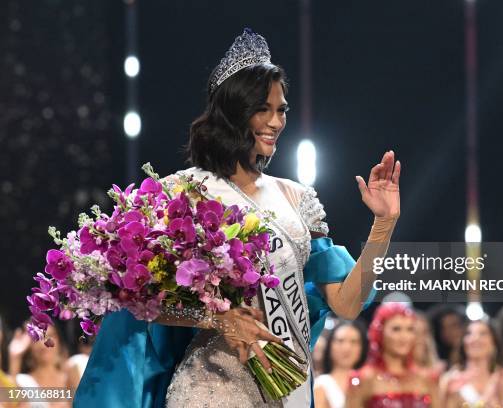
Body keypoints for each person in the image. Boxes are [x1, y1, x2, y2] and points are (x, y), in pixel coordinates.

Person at [74, 28, 400, 408]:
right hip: (211, 385)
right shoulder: (185, 192)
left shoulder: (296, 197)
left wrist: (384, 224)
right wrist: (218, 320)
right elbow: (141, 302)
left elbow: (346, 304)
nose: (275, 122)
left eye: (281, 110)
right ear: (233, 111)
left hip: (285, 389)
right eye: (262, 109)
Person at [346, 303, 439, 407]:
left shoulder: (426, 378)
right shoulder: (364, 379)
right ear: (380, 332)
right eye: (396, 329)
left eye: (410, 329)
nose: (404, 337)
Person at [440, 318, 503, 407]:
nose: (475, 338)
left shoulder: (502, 379)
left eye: (483, 334)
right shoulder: (451, 380)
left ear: (494, 343)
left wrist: (502, 395)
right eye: (469, 334)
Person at [313, 319, 368, 408]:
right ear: (330, 345)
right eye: (340, 341)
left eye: (354, 342)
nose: (347, 348)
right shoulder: (321, 384)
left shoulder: (368, 380)